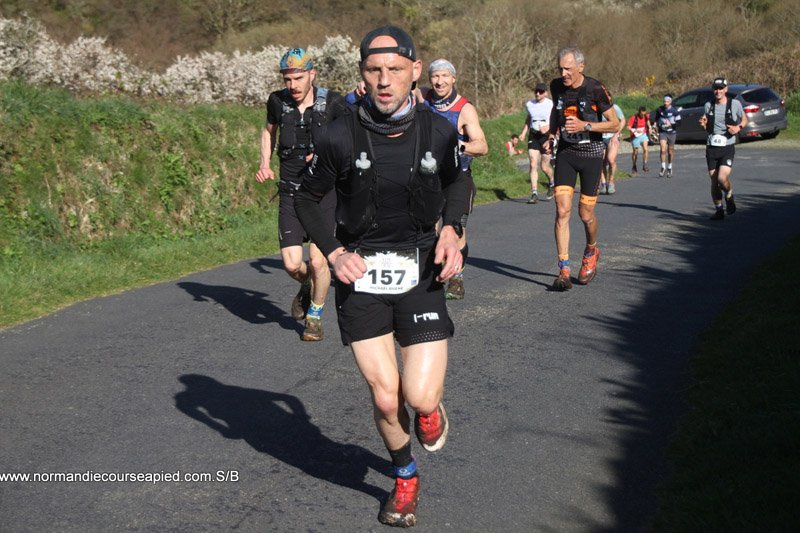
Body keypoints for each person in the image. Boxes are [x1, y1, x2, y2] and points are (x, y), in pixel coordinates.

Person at [294, 25, 468, 528]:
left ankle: (431, 411)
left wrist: (452, 229)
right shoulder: (338, 134)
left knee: (420, 397)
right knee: (387, 398)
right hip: (360, 272)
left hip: (420, 269)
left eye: (395, 69)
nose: (384, 80)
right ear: (362, 75)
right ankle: (405, 477)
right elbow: (306, 198)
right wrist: (333, 252)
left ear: (416, 71)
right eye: (374, 70)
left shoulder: (438, 130)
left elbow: (459, 180)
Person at [254, 48, 346, 341]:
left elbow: (348, 139)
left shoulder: (332, 103)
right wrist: (265, 164)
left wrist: (324, 154)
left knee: (319, 261)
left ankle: (314, 318)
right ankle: (306, 285)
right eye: (287, 79)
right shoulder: (277, 102)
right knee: (293, 264)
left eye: (298, 78)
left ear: (312, 74)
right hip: (291, 191)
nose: (292, 85)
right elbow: (268, 132)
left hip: (324, 194)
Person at [545, 46, 619, 291]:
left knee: (585, 215)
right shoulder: (556, 86)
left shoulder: (596, 88)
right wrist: (551, 135)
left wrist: (585, 125)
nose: (563, 73)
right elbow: (555, 114)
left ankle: (591, 251)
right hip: (566, 154)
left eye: (568, 69)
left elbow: (614, 124)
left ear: (581, 66)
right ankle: (564, 271)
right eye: (560, 69)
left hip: (592, 155)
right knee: (562, 211)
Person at [416, 58, 488, 300]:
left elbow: (482, 146)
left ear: (454, 78)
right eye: (435, 76)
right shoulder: (422, 96)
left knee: (457, 230)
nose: (440, 81)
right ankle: (432, 275)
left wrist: (459, 146)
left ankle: (457, 277)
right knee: (430, 228)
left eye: (445, 76)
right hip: (428, 176)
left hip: (458, 176)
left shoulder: (464, 109)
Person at [699, 77, 747, 220]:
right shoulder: (708, 105)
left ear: (726, 89)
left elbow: (744, 119)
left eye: (721, 88)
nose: (718, 91)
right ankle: (719, 210)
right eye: (716, 88)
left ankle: (729, 194)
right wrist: (703, 124)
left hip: (727, 147)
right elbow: (707, 126)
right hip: (711, 147)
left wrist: (738, 127)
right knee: (714, 182)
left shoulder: (735, 104)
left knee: (721, 179)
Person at [520, 82, 555, 204]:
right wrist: (524, 132)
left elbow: (557, 119)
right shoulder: (529, 104)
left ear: (545, 93)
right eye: (536, 91)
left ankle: (552, 182)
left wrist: (548, 127)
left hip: (546, 136)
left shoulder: (550, 104)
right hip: (534, 135)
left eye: (540, 92)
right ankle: (534, 193)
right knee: (533, 164)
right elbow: (529, 118)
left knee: (544, 166)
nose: (537, 94)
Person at [652, 94, 681, 177]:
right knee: (663, 149)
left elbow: (679, 123)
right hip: (663, 132)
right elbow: (656, 119)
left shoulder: (674, 111)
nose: (665, 103)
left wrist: (671, 124)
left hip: (672, 133)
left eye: (667, 102)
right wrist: (654, 126)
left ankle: (670, 167)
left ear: (670, 102)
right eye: (664, 101)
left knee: (670, 151)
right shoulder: (660, 109)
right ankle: (663, 167)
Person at [599, 102, 625, 194]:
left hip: (612, 137)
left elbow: (622, 120)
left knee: (611, 160)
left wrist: (616, 134)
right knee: (601, 161)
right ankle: (603, 184)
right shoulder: (596, 107)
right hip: (600, 137)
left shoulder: (614, 107)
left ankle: (611, 182)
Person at [627, 106, 652, 174]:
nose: (643, 116)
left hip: (643, 134)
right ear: (639, 112)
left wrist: (650, 127)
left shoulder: (646, 116)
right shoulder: (634, 117)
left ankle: (644, 165)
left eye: (644, 114)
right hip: (635, 136)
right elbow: (628, 127)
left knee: (646, 149)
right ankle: (634, 166)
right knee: (635, 152)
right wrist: (635, 130)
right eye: (641, 114)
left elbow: (648, 121)